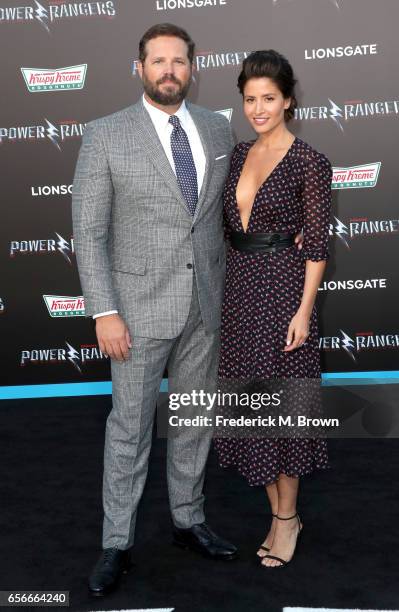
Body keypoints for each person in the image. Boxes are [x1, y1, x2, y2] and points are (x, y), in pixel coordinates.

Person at [72, 23, 239, 597]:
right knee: (129, 432)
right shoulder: (105, 134)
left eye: (179, 61)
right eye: (158, 60)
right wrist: (104, 312)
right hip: (136, 314)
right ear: (138, 67)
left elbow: (224, 216)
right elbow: (89, 233)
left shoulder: (219, 128)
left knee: (194, 421)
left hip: (205, 308)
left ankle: (188, 521)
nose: (169, 70)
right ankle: (116, 541)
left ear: (193, 67)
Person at [214, 49, 333, 568]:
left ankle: (287, 520)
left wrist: (304, 312)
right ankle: (279, 513)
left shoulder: (310, 161)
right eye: (249, 99)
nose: (258, 109)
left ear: (288, 100)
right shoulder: (239, 154)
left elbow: (317, 245)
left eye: (269, 99)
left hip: (284, 294)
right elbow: (227, 228)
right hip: (240, 295)